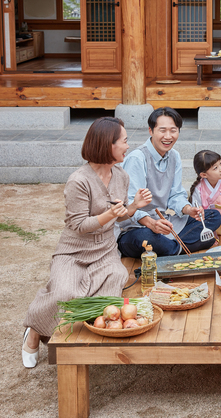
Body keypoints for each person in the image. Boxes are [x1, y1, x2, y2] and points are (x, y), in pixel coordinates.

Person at [22, 117, 152, 368]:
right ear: (108, 145)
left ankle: (83, 343)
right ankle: (35, 329)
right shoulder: (78, 181)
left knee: (113, 283)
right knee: (65, 293)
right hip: (74, 250)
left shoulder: (121, 176)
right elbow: (79, 225)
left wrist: (134, 206)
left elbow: (121, 212)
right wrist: (111, 214)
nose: (128, 146)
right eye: (124, 141)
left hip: (104, 250)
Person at [117, 107, 221, 258]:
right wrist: (152, 224)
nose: (168, 136)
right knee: (145, 237)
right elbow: (129, 205)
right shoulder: (137, 158)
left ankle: (170, 248)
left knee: (213, 216)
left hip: (164, 221)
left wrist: (188, 209)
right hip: (138, 227)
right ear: (151, 131)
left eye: (173, 130)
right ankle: (180, 247)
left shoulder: (174, 156)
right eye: (162, 130)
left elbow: (176, 195)